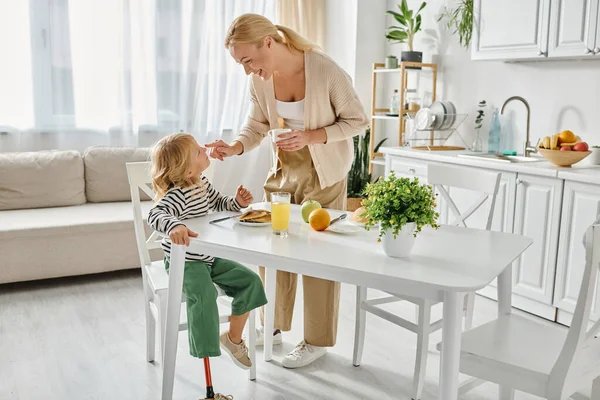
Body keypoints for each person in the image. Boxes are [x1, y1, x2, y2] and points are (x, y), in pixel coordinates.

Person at [206, 14, 368, 369]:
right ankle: (273, 325)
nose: (247, 70)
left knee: (318, 255)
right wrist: (234, 147)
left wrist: (311, 136)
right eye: (240, 64)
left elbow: (358, 120)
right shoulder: (261, 82)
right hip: (284, 169)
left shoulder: (325, 71)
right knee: (275, 247)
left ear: (268, 42)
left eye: (248, 60)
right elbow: (257, 125)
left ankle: (316, 340)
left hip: (323, 173)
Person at [148, 133, 268, 371]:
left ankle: (233, 339)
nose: (204, 148)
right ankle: (205, 351)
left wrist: (237, 203)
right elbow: (155, 214)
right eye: (197, 151)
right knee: (203, 295)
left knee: (251, 281)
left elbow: (219, 203)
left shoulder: (201, 183)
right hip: (185, 262)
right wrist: (174, 225)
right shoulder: (177, 195)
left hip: (208, 258)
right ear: (188, 171)